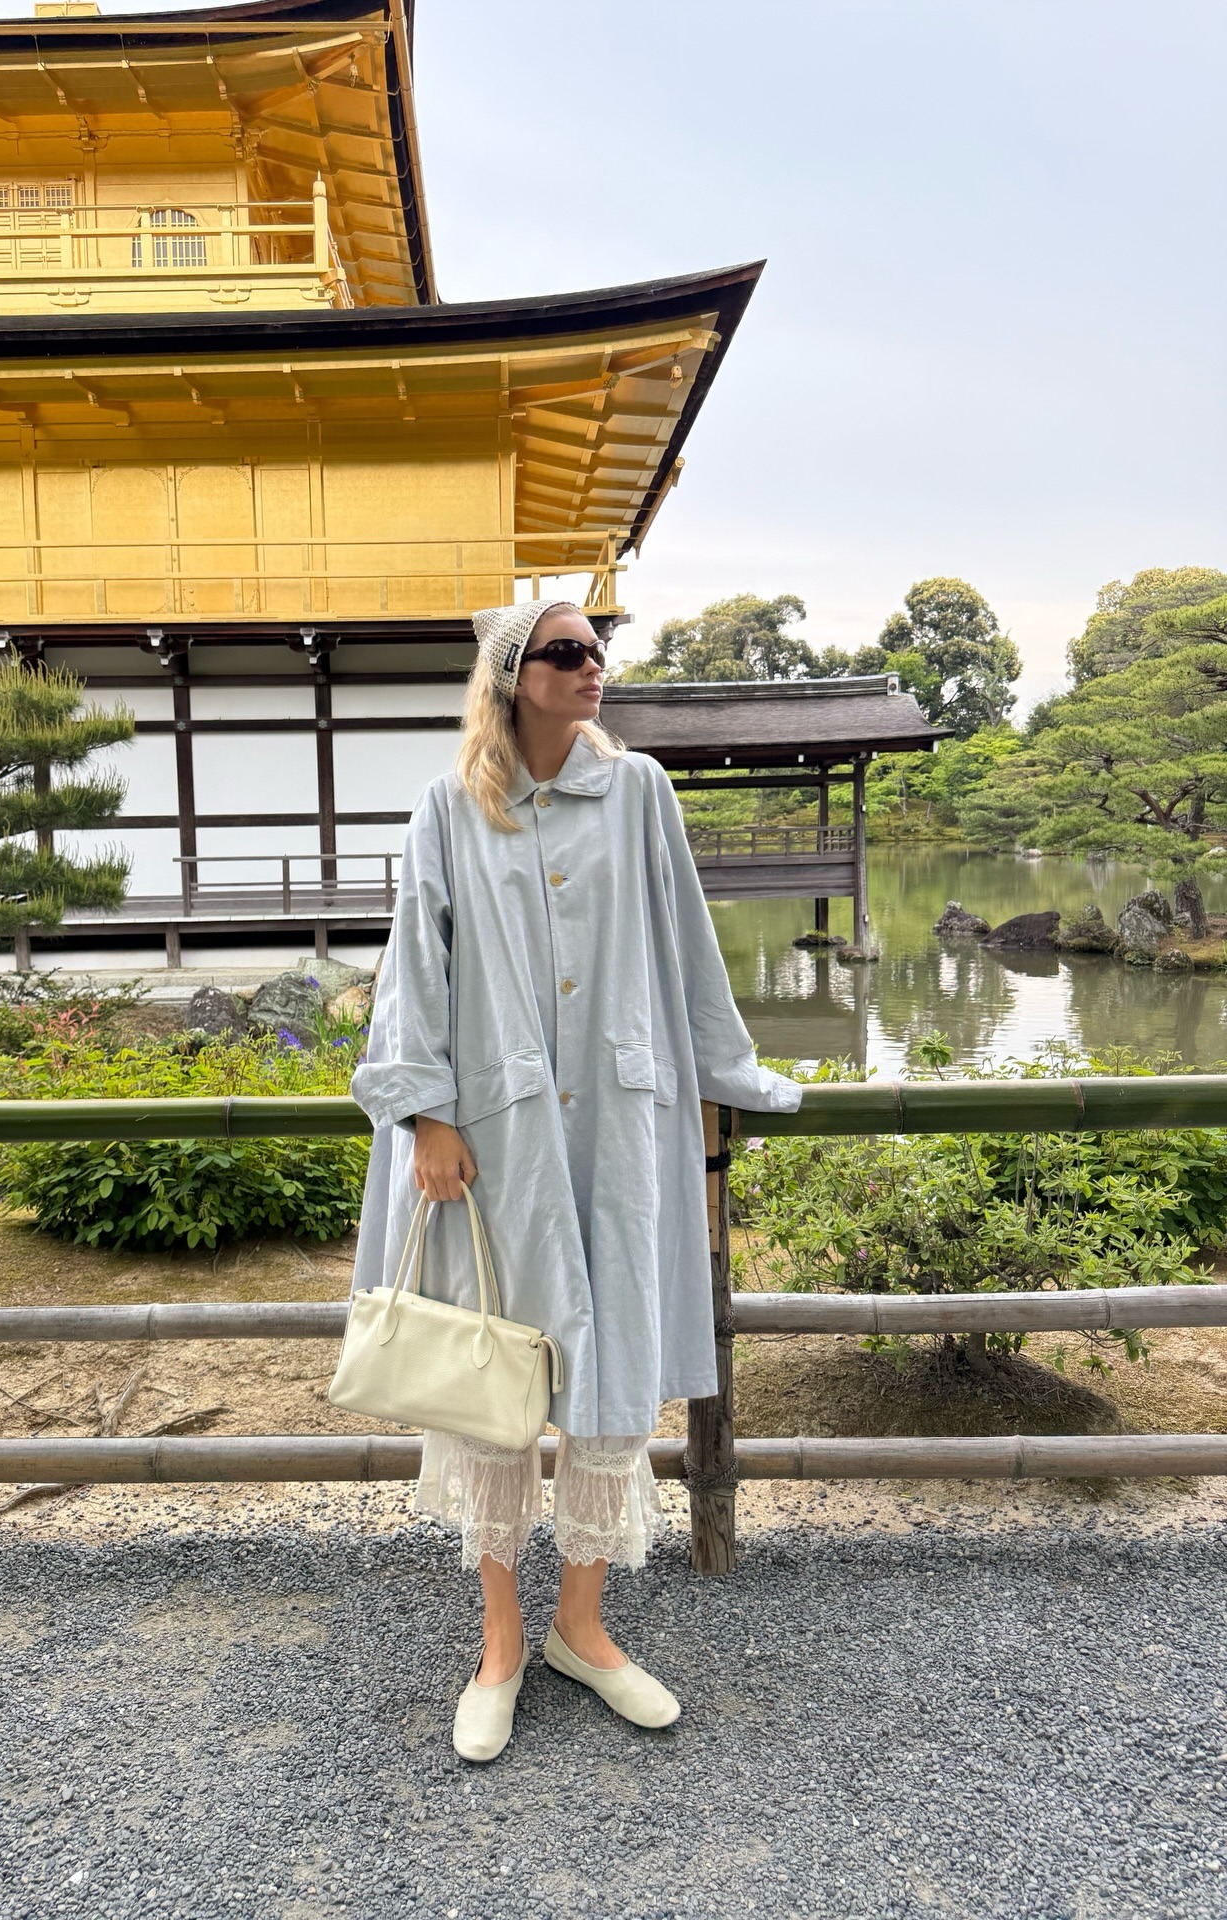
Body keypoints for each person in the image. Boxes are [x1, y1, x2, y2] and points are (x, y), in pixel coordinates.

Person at [349, 598, 802, 1761]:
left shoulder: (640, 792)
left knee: (602, 1378)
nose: (593, 667)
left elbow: (687, 938)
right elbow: (415, 968)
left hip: (618, 1118)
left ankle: (582, 1629)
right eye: (566, 652)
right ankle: (500, 1645)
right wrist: (427, 1114)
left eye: (598, 650)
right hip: (491, 1139)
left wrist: (728, 1070)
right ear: (511, 676)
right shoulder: (450, 812)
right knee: (497, 1380)